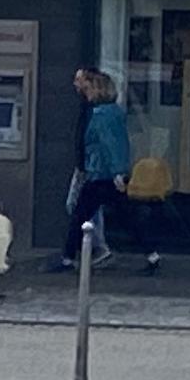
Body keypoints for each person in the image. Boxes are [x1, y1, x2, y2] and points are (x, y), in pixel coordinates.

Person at [58, 71, 160, 274]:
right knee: (126, 216)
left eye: (88, 89)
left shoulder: (100, 116)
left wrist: (116, 172)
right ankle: (151, 254)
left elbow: (108, 145)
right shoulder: (114, 113)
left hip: (100, 174)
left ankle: (68, 259)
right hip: (107, 175)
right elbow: (119, 145)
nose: (85, 92)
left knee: (80, 215)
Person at [67, 67, 110, 264]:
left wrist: (87, 163)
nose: (75, 83)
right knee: (89, 207)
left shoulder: (94, 108)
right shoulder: (89, 106)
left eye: (78, 80)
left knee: (77, 205)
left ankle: (93, 248)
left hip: (90, 166)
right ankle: (93, 247)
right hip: (87, 164)